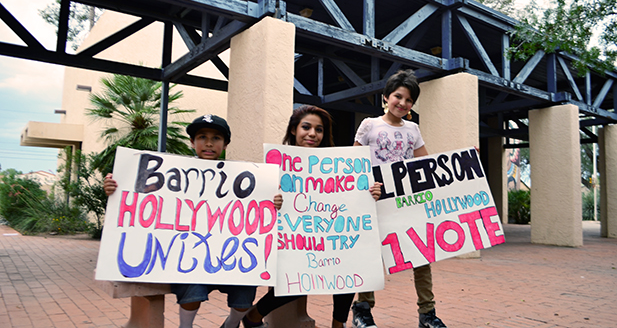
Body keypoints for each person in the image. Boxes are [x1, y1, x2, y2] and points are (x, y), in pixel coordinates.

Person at [104, 114, 283, 328]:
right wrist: (115, 188)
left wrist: (274, 203)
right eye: (202, 137)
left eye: (216, 138)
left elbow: (261, 209)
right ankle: (185, 326)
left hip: (232, 258)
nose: (208, 143)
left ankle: (231, 324)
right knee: (192, 292)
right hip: (189, 256)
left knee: (245, 294)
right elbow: (141, 195)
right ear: (192, 142)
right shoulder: (172, 173)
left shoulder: (245, 177)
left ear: (225, 144)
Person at [242, 105, 382, 328]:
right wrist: (273, 201)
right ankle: (254, 315)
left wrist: (370, 192)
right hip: (293, 240)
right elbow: (260, 199)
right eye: (306, 127)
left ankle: (338, 324)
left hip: (332, 236)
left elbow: (353, 199)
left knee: (348, 270)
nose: (312, 134)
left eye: (319, 130)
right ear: (293, 130)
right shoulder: (277, 163)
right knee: (295, 280)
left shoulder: (341, 166)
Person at [351, 69, 447, 328]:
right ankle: (362, 309)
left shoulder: (413, 129)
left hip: (406, 201)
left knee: (422, 255)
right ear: (386, 97)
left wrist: (465, 159)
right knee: (371, 255)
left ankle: (427, 313)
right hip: (375, 200)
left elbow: (427, 164)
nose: (403, 104)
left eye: (409, 100)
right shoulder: (369, 125)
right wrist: (366, 187)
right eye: (398, 96)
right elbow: (351, 165)